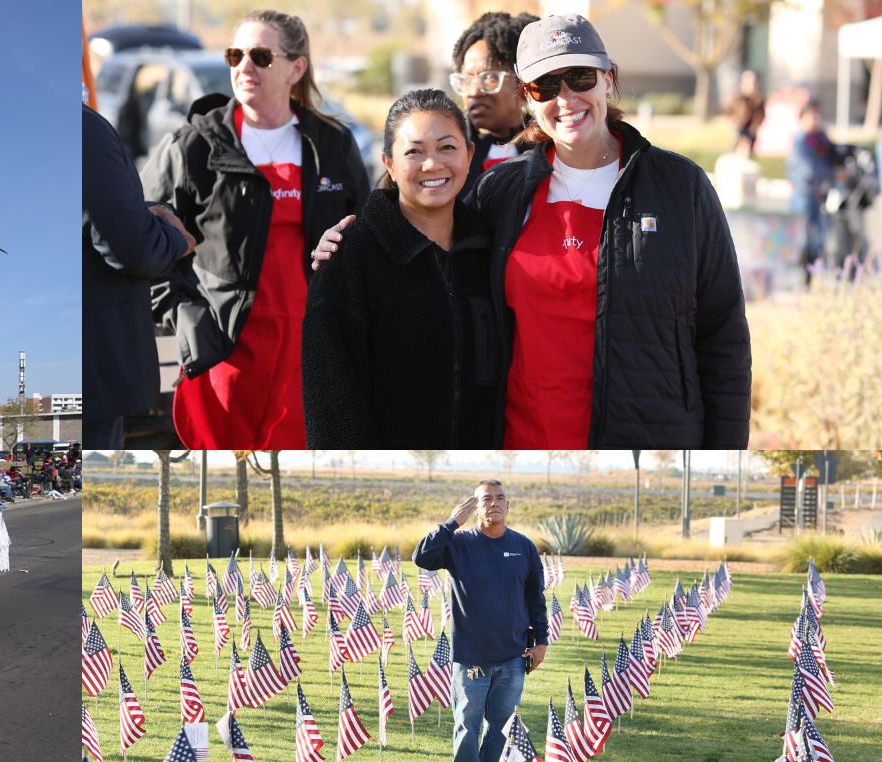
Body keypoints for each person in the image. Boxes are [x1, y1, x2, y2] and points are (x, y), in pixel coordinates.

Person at [313, 14, 749, 448]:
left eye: (579, 77)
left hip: (651, 439)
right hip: (524, 439)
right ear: (526, 97)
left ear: (608, 79)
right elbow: (430, 232)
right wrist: (351, 239)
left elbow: (723, 339)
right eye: (545, 86)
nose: (566, 99)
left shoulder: (681, 187)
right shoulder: (501, 191)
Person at [141, 8, 369, 449]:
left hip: (313, 357)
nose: (244, 67)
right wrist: (186, 318)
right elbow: (140, 241)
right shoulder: (191, 146)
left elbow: (366, 239)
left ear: (296, 68)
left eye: (261, 56)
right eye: (235, 55)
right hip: (226, 354)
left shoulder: (332, 144)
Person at [301, 89, 500, 448]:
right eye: (413, 151)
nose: (432, 164)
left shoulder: (492, 254)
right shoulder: (348, 258)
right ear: (388, 164)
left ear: (470, 156)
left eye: (447, 147)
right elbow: (329, 407)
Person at [412, 479, 547, 762]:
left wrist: (540, 641)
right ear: (475, 506)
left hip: (512, 656)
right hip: (471, 655)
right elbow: (422, 558)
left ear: (508, 505)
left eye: (501, 498)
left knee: (501, 727)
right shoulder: (458, 544)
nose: (495, 504)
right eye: (487, 499)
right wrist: (450, 524)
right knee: (467, 724)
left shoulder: (524, 547)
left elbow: (536, 599)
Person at [83, 103, 196, 449]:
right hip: (101, 375)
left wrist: (144, 215)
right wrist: (179, 239)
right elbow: (130, 250)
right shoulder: (86, 130)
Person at [449, 11, 539, 204]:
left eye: (489, 78)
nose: (474, 91)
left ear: (521, 81)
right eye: (466, 79)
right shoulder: (447, 147)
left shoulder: (548, 146)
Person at [788, 100, 837, 276]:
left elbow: (832, 157)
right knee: (802, 238)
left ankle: (812, 274)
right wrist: (831, 175)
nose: (816, 120)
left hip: (816, 195)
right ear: (802, 118)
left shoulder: (820, 139)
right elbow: (808, 170)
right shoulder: (801, 140)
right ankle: (802, 275)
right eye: (812, 116)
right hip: (804, 195)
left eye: (818, 116)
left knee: (817, 238)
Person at [725, 70, 766, 158]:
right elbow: (728, 110)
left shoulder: (758, 100)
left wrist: (755, 127)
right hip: (738, 128)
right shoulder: (737, 97)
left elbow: (760, 116)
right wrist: (733, 120)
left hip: (750, 130)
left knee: (748, 153)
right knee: (735, 150)